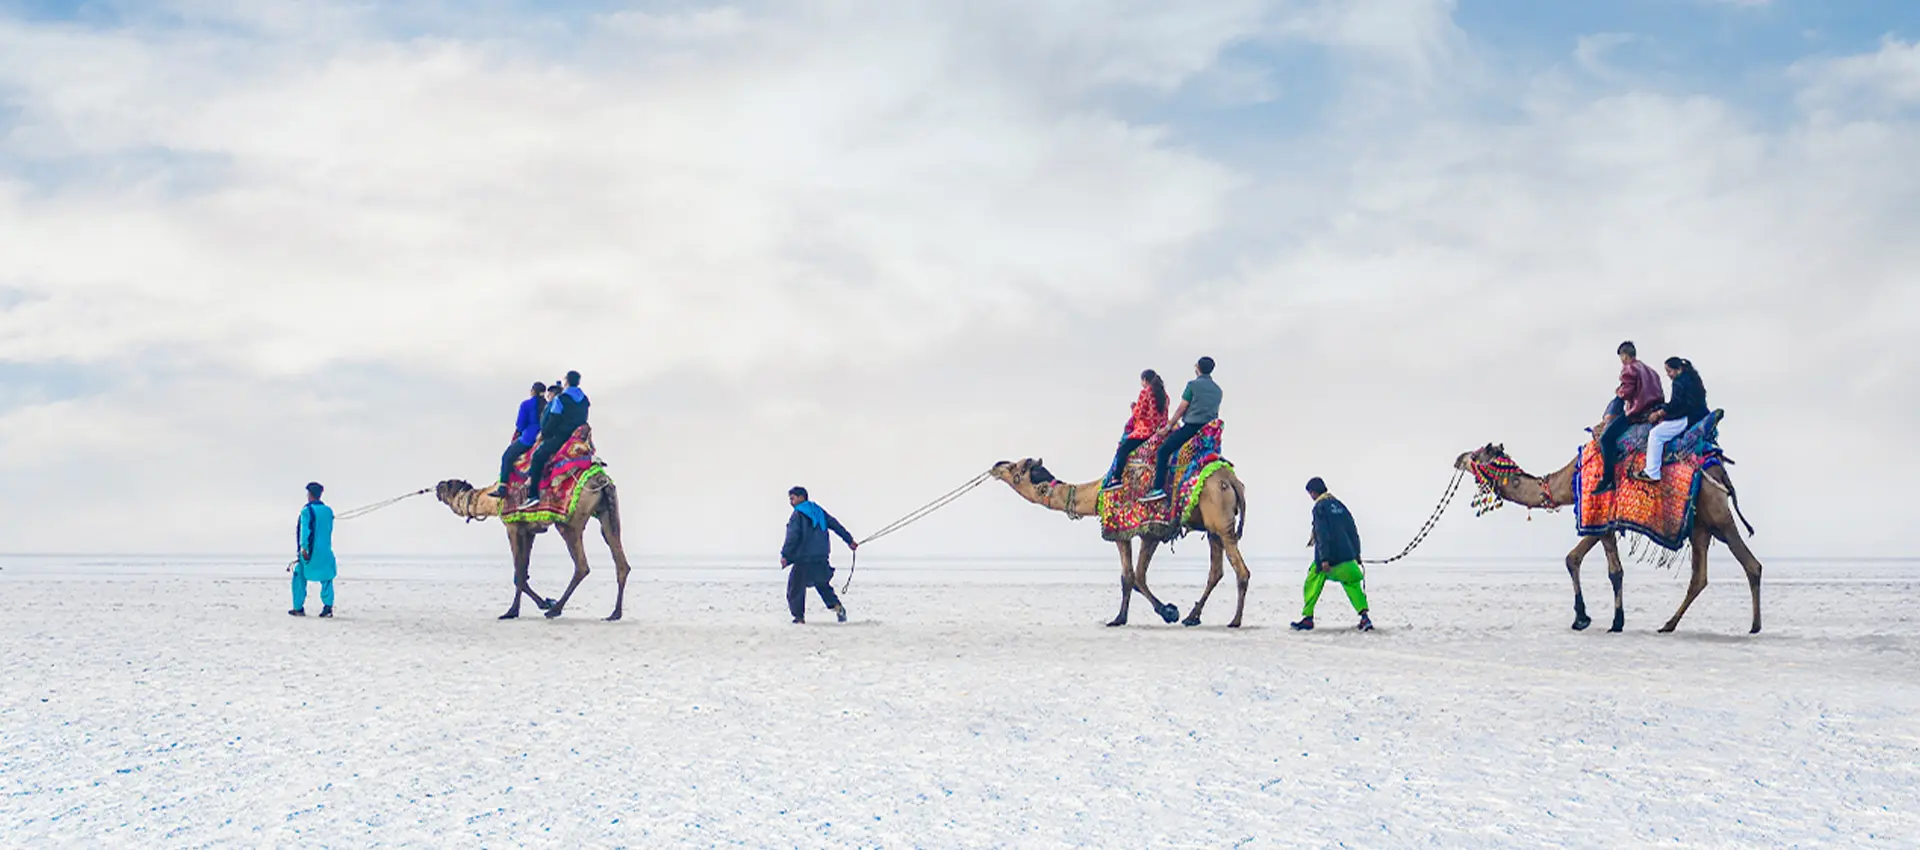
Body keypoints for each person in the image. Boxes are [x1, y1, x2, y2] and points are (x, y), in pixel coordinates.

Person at [1292, 477, 1371, 632]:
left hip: (1331, 558)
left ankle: (1307, 618)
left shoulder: (1319, 507)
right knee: (1352, 584)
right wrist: (1357, 554)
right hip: (1348, 558)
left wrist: (1324, 559)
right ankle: (1365, 618)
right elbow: (1352, 530)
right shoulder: (1340, 506)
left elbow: (1322, 534)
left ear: (1313, 492)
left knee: (1313, 579)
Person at [1143, 357, 1222, 503]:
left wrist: (1168, 426)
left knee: (1163, 451)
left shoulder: (1192, 385)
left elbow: (1182, 408)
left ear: (1197, 368)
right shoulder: (1218, 390)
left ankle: (1158, 489)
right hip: (1210, 434)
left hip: (1192, 429)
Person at [1595, 341, 1665, 494]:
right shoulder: (1652, 371)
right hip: (1654, 412)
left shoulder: (1629, 368)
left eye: (1621, 358)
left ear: (1625, 356)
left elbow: (1626, 393)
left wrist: (1619, 391)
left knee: (1606, 439)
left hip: (1637, 414)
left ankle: (1608, 480)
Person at [780, 486, 857, 624]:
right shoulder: (818, 511)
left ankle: (799, 618)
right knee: (822, 585)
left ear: (801, 497)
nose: (791, 502)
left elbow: (792, 536)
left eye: (792, 498)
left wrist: (785, 555)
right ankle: (837, 607)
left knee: (795, 587)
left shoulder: (798, 514)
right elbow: (836, 525)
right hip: (821, 556)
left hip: (804, 557)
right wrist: (849, 540)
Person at [520, 371, 590, 510]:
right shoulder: (585, 400)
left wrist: (544, 434)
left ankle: (533, 496)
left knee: (537, 456)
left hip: (561, 437)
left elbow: (552, 422)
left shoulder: (560, 399)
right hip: (578, 438)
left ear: (566, 381)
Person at [1633, 357, 1709, 484]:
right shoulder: (1692, 378)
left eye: (1669, 371)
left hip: (1688, 417)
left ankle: (1652, 472)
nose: (1668, 375)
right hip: (1698, 415)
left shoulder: (1678, 382)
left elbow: (1676, 404)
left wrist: (1660, 413)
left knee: (1656, 434)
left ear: (1678, 369)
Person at [1102, 370, 1169, 491]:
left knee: (1122, 449)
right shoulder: (1164, 395)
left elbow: (1138, 414)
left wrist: (1133, 407)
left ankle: (1116, 478)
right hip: (1161, 431)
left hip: (1145, 432)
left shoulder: (1146, 392)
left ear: (1144, 380)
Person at [490, 382, 547, 499]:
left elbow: (520, 425)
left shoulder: (526, 404)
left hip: (529, 438)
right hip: (544, 437)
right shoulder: (548, 405)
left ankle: (503, 488)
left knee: (507, 456)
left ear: (532, 391)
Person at [290, 482, 337, 618]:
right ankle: (328, 607)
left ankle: (298, 607)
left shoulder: (307, 511)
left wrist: (304, 548)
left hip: (311, 551)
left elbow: (305, 531)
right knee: (327, 578)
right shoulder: (328, 511)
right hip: (326, 550)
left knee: (299, 575)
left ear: (310, 494)